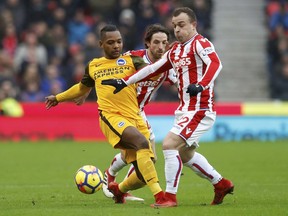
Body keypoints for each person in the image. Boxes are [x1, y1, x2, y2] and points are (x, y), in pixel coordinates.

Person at [102, 7, 234, 207]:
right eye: (174, 26)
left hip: (199, 108)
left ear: (193, 25)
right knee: (185, 155)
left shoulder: (200, 43)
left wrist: (201, 84)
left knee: (169, 145)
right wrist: (125, 82)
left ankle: (169, 198)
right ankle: (221, 183)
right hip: (185, 110)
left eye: (181, 25)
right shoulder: (176, 51)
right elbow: (153, 69)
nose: (177, 30)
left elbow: (216, 64)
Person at [45, 24, 173, 207]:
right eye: (111, 42)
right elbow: (81, 88)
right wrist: (58, 98)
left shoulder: (131, 60)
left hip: (135, 117)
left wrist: (171, 58)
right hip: (111, 116)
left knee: (144, 174)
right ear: (101, 44)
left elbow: (151, 71)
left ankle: (119, 190)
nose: (116, 46)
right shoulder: (94, 65)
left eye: (119, 42)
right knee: (142, 144)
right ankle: (161, 197)